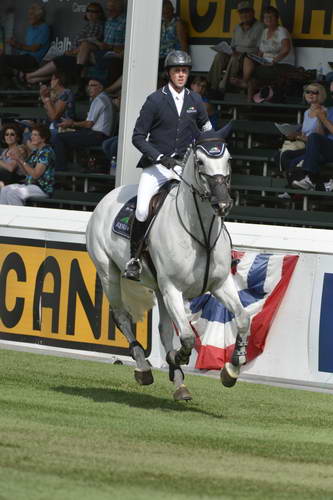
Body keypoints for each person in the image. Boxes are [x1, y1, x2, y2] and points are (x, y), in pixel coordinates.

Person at [123, 50, 212, 281]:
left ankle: (214, 253)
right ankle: (134, 259)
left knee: (208, 200)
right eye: (177, 71)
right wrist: (160, 157)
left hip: (184, 167)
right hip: (158, 168)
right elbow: (138, 136)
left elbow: (208, 130)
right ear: (169, 73)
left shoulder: (195, 100)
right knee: (143, 209)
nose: (181, 74)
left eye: (184, 71)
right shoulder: (155, 100)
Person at [26, 3, 105, 85]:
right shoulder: (88, 25)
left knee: (61, 61)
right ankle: (33, 78)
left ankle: (31, 76)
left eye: (94, 11)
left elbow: (87, 43)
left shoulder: (97, 25)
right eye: (88, 11)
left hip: (81, 59)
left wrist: (73, 52)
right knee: (57, 63)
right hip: (75, 56)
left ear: (99, 14)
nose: (90, 13)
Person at [231, 6, 295, 100]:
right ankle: (248, 100)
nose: (268, 19)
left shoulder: (281, 31)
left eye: (271, 17)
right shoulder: (265, 31)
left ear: (277, 18)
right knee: (248, 59)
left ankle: (245, 85)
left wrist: (274, 61)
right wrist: (256, 60)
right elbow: (261, 51)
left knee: (253, 73)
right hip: (266, 62)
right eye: (266, 17)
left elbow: (286, 49)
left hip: (281, 64)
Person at [52, 78, 113, 171]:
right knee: (66, 136)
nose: (89, 88)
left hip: (97, 135)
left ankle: (60, 169)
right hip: (96, 134)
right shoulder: (102, 98)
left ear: (101, 88)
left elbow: (89, 124)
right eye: (89, 85)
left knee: (59, 137)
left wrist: (71, 124)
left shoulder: (100, 99)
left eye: (93, 85)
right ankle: (77, 165)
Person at [207, 1, 264, 94]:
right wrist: (227, 50)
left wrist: (243, 55)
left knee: (235, 58)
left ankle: (224, 87)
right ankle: (212, 87)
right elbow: (233, 46)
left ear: (253, 12)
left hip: (248, 59)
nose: (244, 15)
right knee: (219, 56)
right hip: (235, 54)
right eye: (241, 13)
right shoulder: (237, 27)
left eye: (246, 12)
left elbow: (260, 50)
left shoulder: (260, 27)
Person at [291, 81, 333, 192]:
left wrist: (322, 118)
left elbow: (319, 135)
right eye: (308, 92)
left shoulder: (326, 110)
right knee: (289, 158)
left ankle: (311, 179)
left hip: (328, 148)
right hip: (321, 147)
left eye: (314, 92)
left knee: (313, 138)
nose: (310, 94)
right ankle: (293, 190)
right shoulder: (325, 110)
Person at [0, 124, 55, 206]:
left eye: (35, 135)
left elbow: (36, 175)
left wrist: (22, 161)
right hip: (29, 185)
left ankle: (19, 217)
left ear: (43, 138)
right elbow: (27, 173)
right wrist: (17, 159)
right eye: (32, 134)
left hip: (42, 188)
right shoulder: (36, 151)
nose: (32, 137)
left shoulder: (46, 152)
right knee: (5, 189)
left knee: (13, 193)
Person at [0, 3, 50, 88]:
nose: (29, 17)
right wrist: (15, 45)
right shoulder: (30, 28)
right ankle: (12, 92)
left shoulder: (44, 28)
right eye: (29, 14)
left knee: (2, 59)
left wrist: (18, 45)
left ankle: (17, 75)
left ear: (39, 16)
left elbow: (35, 48)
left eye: (31, 14)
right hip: (24, 56)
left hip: (32, 60)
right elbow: (26, 47)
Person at [82, 0, 126, 89]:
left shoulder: (126, 21)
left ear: (119, 8)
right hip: (104, 50)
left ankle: (98, 87)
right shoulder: (108, 20)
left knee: (106, 61)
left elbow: (129, 45)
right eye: (108, 9)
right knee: (86, 50)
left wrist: (110, 47)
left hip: (117, 53)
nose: (109, 12)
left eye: (112, 9)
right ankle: (82, 82)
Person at [39, 72, 75, 138]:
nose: (50, 82)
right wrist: (43, 96)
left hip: (61, 128)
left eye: (52, 79)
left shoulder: (66, 93)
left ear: (57, 80)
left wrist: (47, 99)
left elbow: (54, 116)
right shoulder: (56, 95)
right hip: (51, 126)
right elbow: (49, 114)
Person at [159, 0, 188, 71]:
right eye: (164, 12)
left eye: (167, 11)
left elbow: (184, 44)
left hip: (172, 57)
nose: (166, 14)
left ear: (172, 10)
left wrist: (183, 62)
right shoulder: (161, 23)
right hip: (160, 57)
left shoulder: (178, 24)